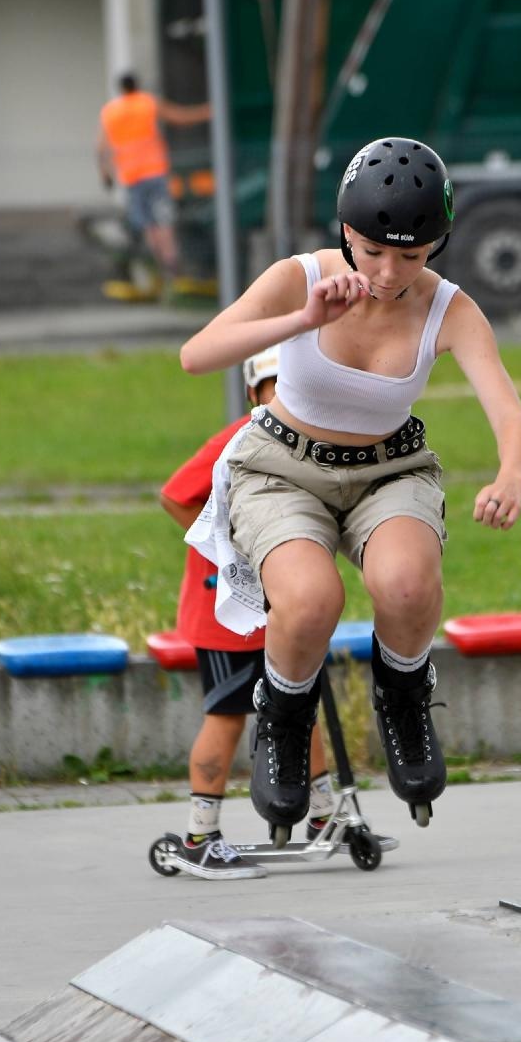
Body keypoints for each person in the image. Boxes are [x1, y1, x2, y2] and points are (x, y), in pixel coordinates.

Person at [179, 136, 521, 835]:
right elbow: (197, 355)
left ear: (437, 244)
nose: (389, 272)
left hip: (388, 470)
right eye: (373, 251)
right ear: (346, 231)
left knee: (406, 584)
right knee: (311, 602)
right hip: (281, 470)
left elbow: (508, 409)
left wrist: (511, 474)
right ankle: (281, 720)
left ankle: (403, 697)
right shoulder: (298, 277)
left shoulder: (449, 309)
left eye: (412, 254)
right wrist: (303, 321)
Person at [159, 346, 375, 878]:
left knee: (299, 702)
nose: (286, 397)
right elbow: (175, 496)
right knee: (228, 717)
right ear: (255, 392)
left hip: (280, 608)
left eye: (296, 386)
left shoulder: (312, 445)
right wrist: (231, 542)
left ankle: (324, 816)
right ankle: (198, 836)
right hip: (225, 611)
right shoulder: (236, 439)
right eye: (275, 387)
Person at [97, 72, 210, 287]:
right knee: (164, 221)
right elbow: (179, 117)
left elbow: (101, 148)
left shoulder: (110, 112)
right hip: (154, 171)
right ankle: (173, 266)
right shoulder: (147, 103)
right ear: (137, 86)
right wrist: (206, 111)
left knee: (148, 224)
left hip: (131, 176)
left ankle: (159, 270)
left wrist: (105, 173)